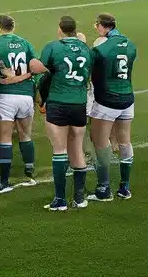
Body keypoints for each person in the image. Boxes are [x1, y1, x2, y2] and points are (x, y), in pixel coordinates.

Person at [28, 15, 92, 211]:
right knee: (77, 149)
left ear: (60, 29)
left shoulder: (53, 47)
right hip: (79, 102)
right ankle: (80, 198)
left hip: (58, 101)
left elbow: (38, 68)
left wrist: (33, 63)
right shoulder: (86, 50)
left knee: (59, 150)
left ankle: (60, 200)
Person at [0, 14, 38, 193]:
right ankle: (29, 169)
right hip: (26, 95)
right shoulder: (25, 43)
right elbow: (35, 67)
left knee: (5, 137)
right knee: (25, 134)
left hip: (5, 96)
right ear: (14, 26)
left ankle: (4, 181)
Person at [88, 12, 136, 201]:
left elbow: (94, 68)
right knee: (124, 141)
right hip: (127, 98)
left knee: (100, 142)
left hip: (107, 99)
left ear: (101, 26)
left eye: (96, 25)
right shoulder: (130, 44)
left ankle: (103, 189)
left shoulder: (101, 46)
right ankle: (124, 188)